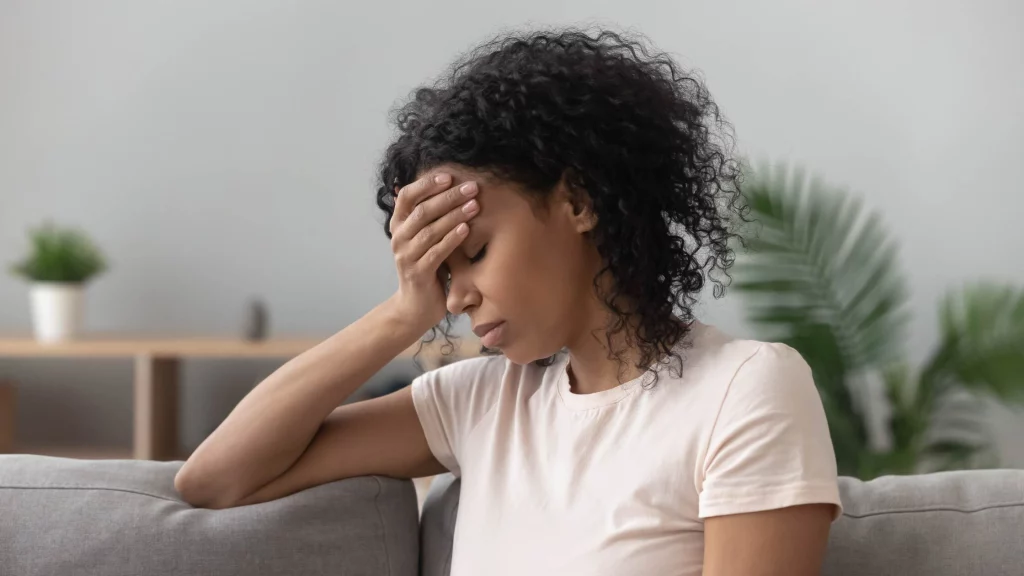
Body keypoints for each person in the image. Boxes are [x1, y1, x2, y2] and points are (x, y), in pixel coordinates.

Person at [175, 27, 842, 576]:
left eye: (476, 253)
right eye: (439, 272)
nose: (456, 297)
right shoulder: (479, 403)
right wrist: (403, 316)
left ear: (578, 202)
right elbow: (215, 479)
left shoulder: (745, 389)